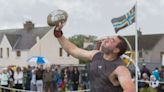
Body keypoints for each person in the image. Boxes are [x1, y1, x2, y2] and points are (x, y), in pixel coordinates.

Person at [53, 22, 135, 92]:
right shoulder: (96, 55)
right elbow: (72, 49)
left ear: (116, 50)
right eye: (109, 37)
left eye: (112, 40)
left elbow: (130, 90)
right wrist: (58, 34)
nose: (107, 39)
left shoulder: (120, 68)